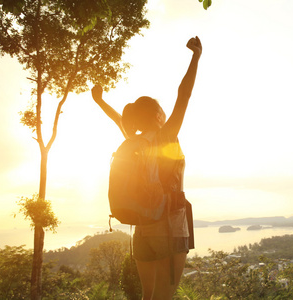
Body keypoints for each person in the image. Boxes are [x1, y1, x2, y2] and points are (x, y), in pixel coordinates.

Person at [91, 36, 202, 300]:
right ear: (157, 115)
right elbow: (184, 96)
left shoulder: (133, 141)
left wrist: (99, 100)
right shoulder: (166, 136)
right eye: (162, 110)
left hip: (142, 228)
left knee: (147, 297)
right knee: (164, 298)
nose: (166, 113)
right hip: (170, 227)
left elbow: (118, 118)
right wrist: (196, 57)